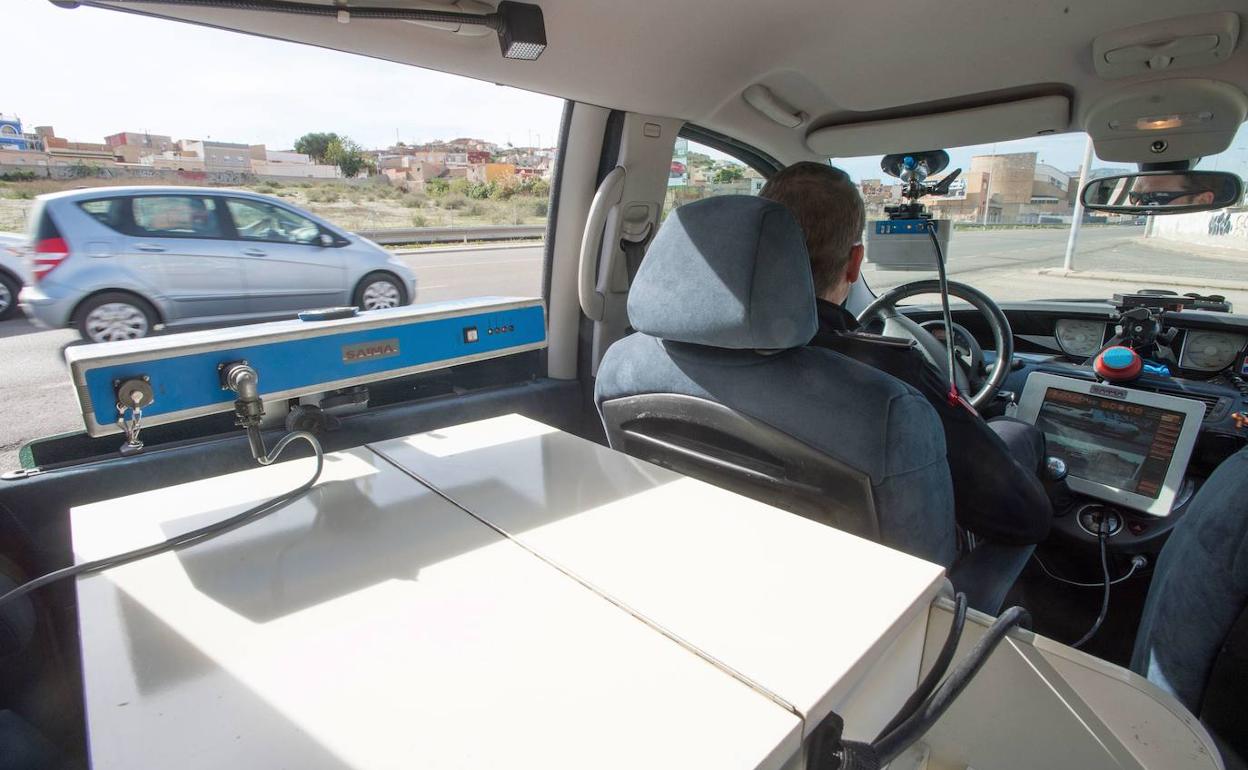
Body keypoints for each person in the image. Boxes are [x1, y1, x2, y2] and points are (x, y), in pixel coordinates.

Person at [759, 161, 1051, 546]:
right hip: (902, 584)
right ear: (854, 262)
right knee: (1018, 433)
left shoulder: (664, 351)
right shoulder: (890, 379)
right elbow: (1022, 518)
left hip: (759, 548)